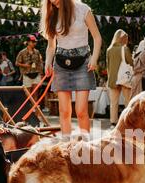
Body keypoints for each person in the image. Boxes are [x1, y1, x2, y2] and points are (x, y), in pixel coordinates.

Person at [42, 0, 102, 141]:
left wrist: (94, 59)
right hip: (61, 65)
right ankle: (66, 148)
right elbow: (51, 46)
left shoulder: (83, 9)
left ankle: (86, 148)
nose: (53, 1)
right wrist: (47, 62)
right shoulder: (52, 14)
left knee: (81, 110)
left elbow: (97, 37)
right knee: (64, 111)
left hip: (83, 64)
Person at [106, 29, 133, 128]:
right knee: (128, 101)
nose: (127, 40)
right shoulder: (125, 49)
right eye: (126, 38)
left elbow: (108, 66)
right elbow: (131, 63)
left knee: (114, 102)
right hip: (124, 78)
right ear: (122, 38)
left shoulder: (109, 50)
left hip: (113, 79)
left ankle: (113, 122)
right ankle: (127, 121)